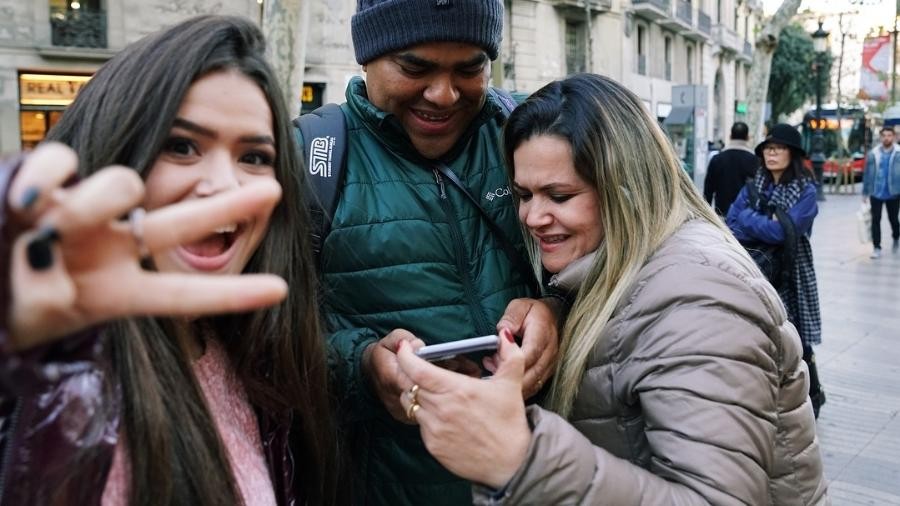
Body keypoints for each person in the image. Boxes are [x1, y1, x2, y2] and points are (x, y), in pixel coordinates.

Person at [391, 74, 829, 504]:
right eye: (524, 195)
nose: (532, 216)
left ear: (625, 188)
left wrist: (520, 460)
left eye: (558, 196)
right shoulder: (622, 272)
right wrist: (551, 320)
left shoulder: (699, 298)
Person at [0, 16, 340, 505]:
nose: (223, 184)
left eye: (254, 157)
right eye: (181, 147)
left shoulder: (263, 359)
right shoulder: (45, 367)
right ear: (116, 150)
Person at [296, 0, 559, 503]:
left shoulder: (526, 132)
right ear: (366, 56)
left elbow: (613, 268)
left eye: (470, 68)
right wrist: (362, 366)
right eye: (415, 67)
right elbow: (260, 339)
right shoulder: (309, 160)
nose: (443, 95)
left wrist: (558, 309)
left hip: (537, 479)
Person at [728, 123, 825, 418]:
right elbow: (732, 223)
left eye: (778, 149)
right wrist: (764, 223)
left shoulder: (806, 191)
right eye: (768, 149)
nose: (772, 154)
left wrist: (752, 221)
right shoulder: (753, 185)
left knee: (796, 335)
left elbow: (787, 232)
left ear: (792, 154)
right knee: (757, 329)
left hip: (792, 270)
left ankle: (813, 393)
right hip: (756, 267)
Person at [704, 121, 758, 216]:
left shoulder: (717, 159)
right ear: (747, 138)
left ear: (730, 136)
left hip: (721, 215)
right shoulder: (755, 160)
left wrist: (706, 216)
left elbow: (708, 190)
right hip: (746, 217)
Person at [862, 125, 900, 259]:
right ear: (880, 137)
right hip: (876, 192)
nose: (886, 138)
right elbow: (867, 173)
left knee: (893, 219)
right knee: (875, 220)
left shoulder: (898, 152)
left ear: (894, 137)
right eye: (884, 135)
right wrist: (865, 193)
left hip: (894, 192)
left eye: (889, 135)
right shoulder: (873, 153)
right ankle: (876, 247)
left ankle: (896, 235)